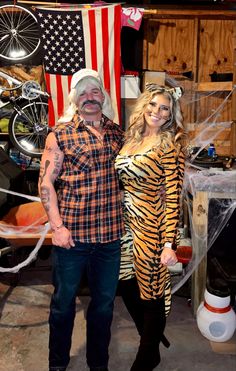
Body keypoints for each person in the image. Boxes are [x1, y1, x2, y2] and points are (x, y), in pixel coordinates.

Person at [38, 68, 124, 371]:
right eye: (83, 93)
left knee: (103, 306)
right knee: (63, 306)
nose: (90, 98)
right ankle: (57, 364)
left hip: (110, 238)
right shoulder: (60, 133)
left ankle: (98, 364)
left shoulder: (118, 132)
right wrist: (57, 227)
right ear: (75, 99)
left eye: (95, 92)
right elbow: (45, 184)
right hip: (72, 238)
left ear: (103, 95)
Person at [115, 83, 187, 371]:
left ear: (171, 115)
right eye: (153, 105)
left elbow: (173, 197)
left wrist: (170, 244)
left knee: (152, 292)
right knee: (124, 282)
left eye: (165, 108)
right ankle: (152, 337)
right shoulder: (129, 141)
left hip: (152, 227)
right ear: (144, 106)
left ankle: (145, 359)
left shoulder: (170, 146)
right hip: (124, 226)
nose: (157, 112)